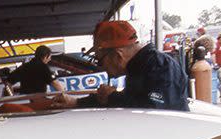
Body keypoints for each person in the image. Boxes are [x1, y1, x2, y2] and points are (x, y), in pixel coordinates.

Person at [51, 20, 189, 111]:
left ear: (118, 55)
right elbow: (132, 101)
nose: (102, 67)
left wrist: (112, 96)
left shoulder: (161, 67)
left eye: (100, 61)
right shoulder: (138, 68)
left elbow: (155, 108)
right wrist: (76, 103)